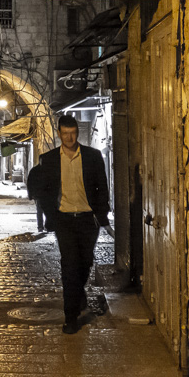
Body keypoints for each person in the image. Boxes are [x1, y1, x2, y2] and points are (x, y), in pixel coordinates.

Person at [35, 115, 110, 334]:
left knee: (85, 262)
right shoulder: (49, 159)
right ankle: (71, 317)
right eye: (65, 133)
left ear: (77, 132)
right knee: (69, 266)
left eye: (73, 133)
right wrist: (51, 215)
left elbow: (102, 187)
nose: (69, 138)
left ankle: (78, 294)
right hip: (64, 220)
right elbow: (44, 191)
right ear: (59, 134)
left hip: (88, 219)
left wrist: (101, 214)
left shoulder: (93, 156)